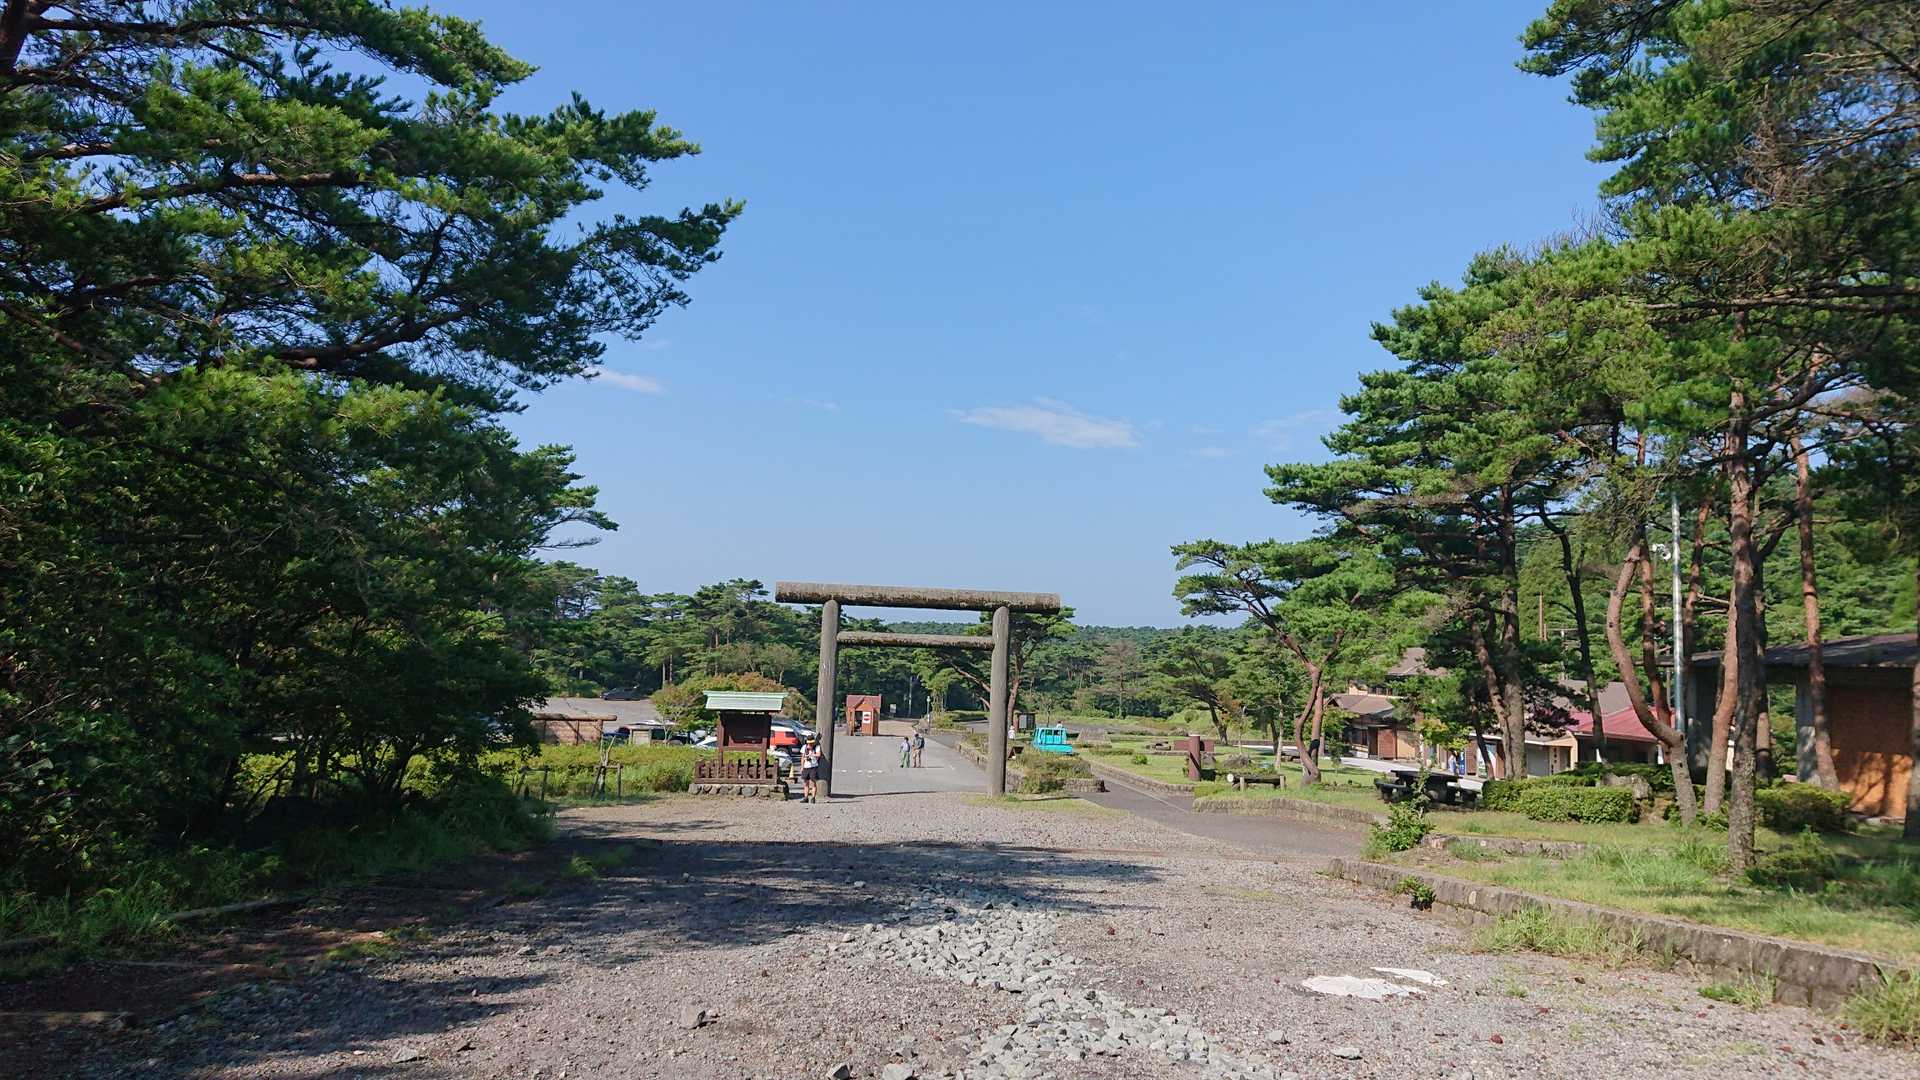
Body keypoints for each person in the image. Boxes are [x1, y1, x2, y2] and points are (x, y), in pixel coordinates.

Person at [800, 736, 821, 803]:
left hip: (813, 767)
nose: (810, 744)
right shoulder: (804, 747)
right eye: (809, 743)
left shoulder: (816, 747)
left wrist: (812, 754)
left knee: (813, 782)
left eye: (811, 743)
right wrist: (802, 767)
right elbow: (802, 757)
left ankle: (813, 798)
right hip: (806, 767)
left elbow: (819, 754)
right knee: (806, 783)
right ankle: (806, 797)